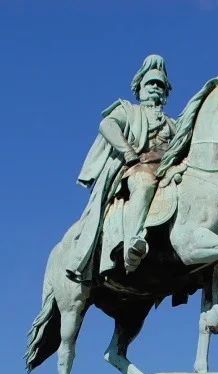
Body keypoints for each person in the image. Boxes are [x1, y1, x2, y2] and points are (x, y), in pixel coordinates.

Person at [66, 54, 178, 282]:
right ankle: (132, 245)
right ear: (140, 88)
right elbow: (107, 124)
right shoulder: (128, 111)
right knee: (144, 184)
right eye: (151, 83)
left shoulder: (173, 123)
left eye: (160, 84)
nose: (155, 88)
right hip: (137, 167)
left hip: (167, 171)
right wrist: (128, 153)